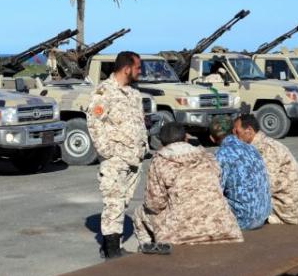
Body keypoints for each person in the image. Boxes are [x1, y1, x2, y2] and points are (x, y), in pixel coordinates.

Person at [133, 122, 242, 250]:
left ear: (162, 143)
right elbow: (218, 185)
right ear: (186, 138)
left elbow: (155, 204)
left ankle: (148, 251)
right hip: (224, 230)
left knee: (139, 213)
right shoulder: (207, 156)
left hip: (182, 235)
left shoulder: (160, 161)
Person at [87, 51, 149, 259]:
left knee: (122, 202)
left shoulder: (133, 94)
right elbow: (94, 123)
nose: (140, 72)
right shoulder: (104, 92)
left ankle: (110, 245)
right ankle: (112, 251)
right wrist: (108, 153)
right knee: (114, 202)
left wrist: (143, 147)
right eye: (138, 68)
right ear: (127, 69)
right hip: (116, 160)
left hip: (134, 158)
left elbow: (138, 122)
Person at [233, 114, 298, 224]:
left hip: (285, 209)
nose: (234, 136)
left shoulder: (267, 149)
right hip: (281, 202)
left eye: (237, 132)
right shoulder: (256, 147)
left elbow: (265, 185)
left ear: (249, 130)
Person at [210, 115, 271, 230]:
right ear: (234, 131)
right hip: (263, 216)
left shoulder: (221, 154)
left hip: (243, 220)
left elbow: (216, 190)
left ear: (212, 138)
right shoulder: (252, 148)